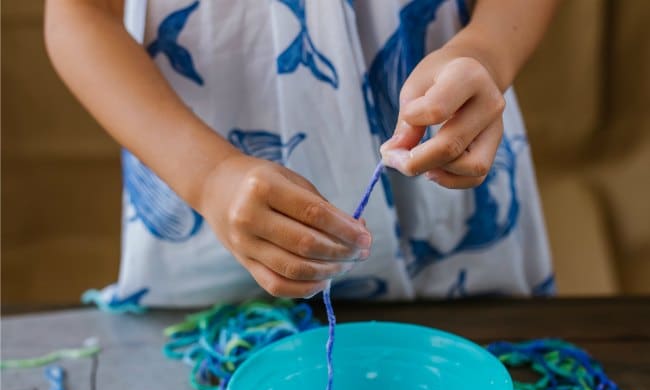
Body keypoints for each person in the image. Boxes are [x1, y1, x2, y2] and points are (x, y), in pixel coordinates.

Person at [44, 0, 559, 308]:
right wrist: (209, 177)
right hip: (201, 196)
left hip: (451, 136)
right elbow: (78, 13)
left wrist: (488, 51)